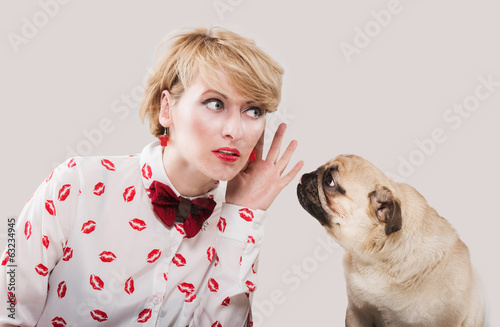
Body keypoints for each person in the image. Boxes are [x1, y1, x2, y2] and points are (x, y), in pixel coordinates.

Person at [0, 26, 303, 326]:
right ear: (166, 108)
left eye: (253, 111)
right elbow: (7, 310)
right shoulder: (76, 183)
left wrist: (242, 219)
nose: (235, 131)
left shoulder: (235, 224)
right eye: (215, 103)